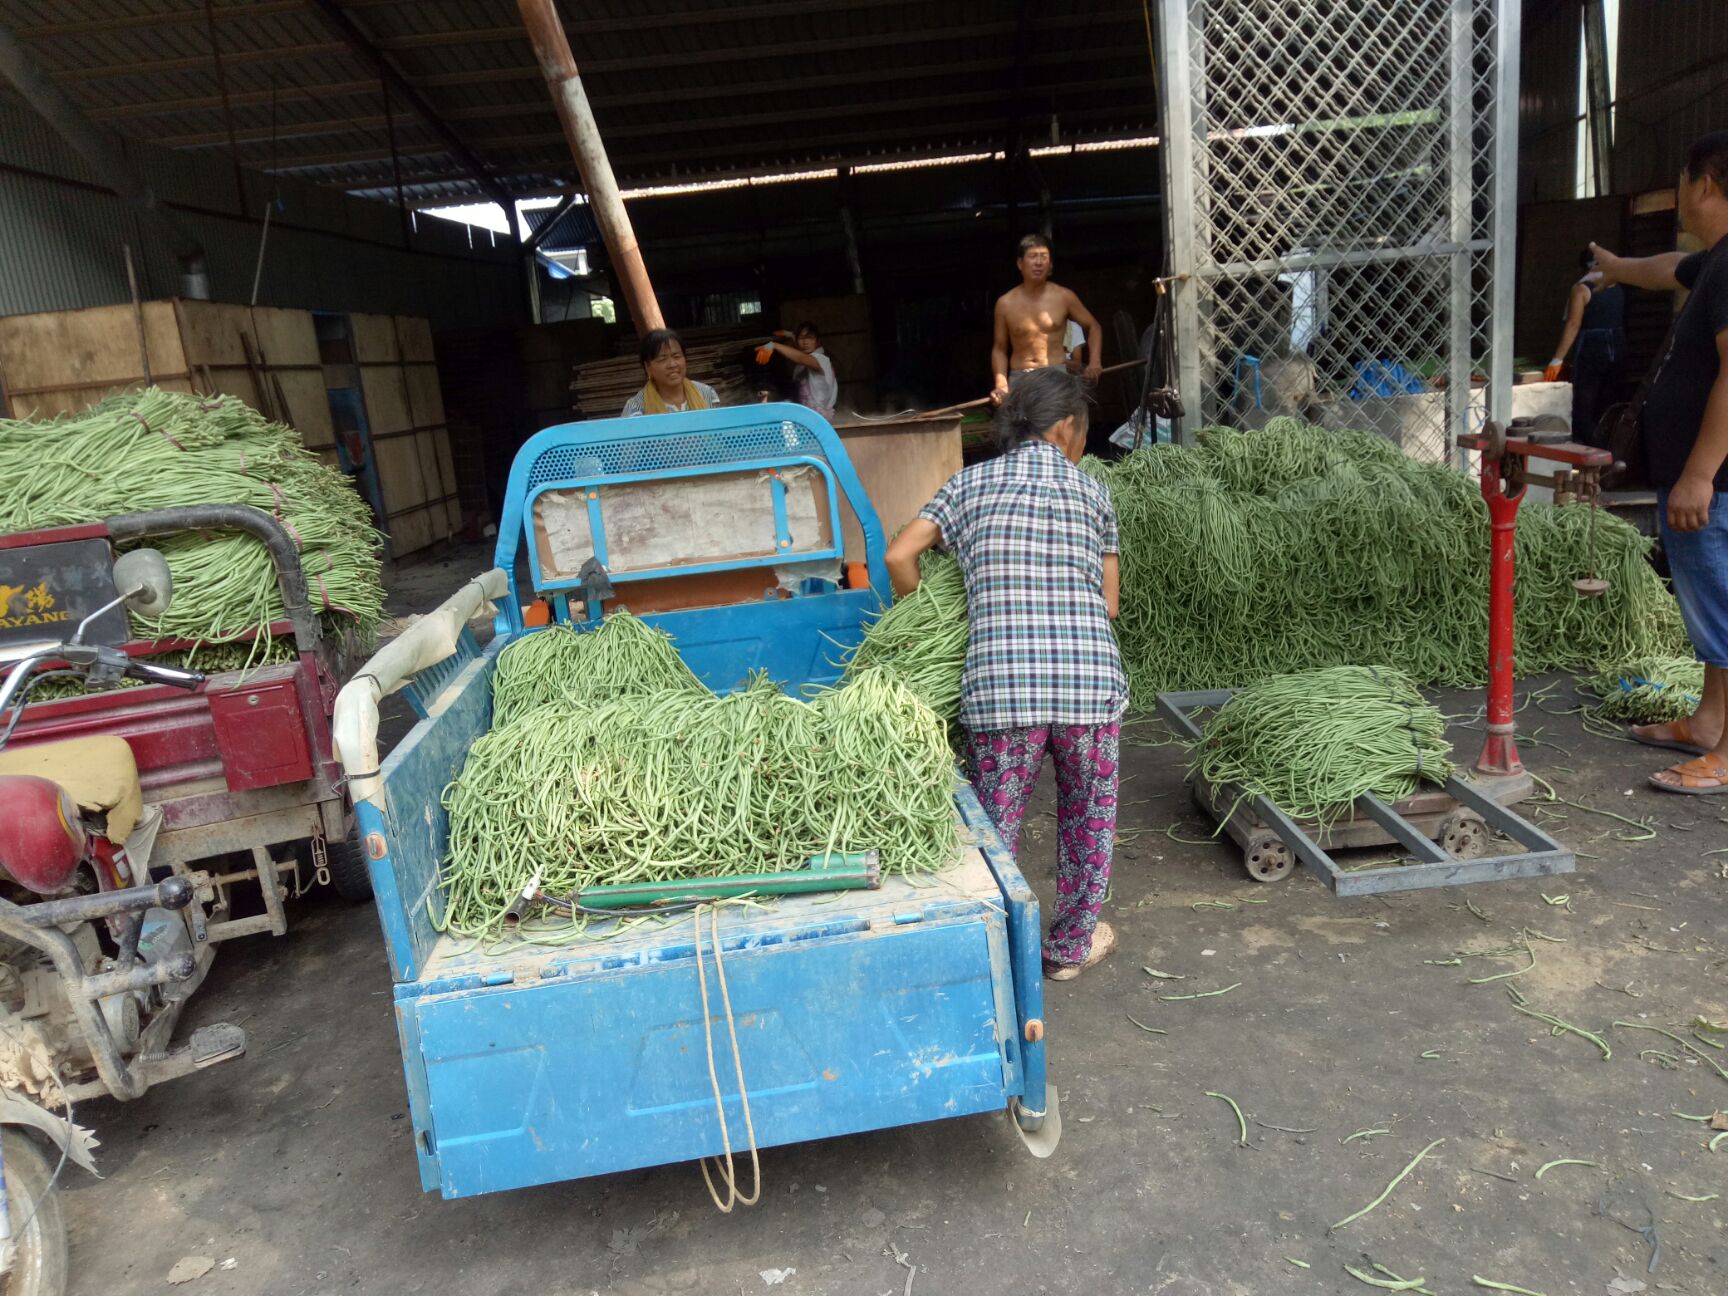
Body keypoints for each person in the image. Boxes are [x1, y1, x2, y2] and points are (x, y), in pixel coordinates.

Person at [887, 367, 1125, 979]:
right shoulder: (1093, 492)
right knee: (1088, 819)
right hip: (1087, 688)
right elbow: (1111, 604)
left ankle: (995, 952)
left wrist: (926, 617)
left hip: (1001, 689)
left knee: (995, 826)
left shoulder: (966, 486)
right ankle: (1070, 949)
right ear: (1068, 426)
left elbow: (898, 554)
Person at [1587, 130, 1728, 794]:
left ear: (1703, 183)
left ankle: (1726, 753)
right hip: (1703, 477)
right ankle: (1708, 724)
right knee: (1710, 610)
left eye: (1682, 183)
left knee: (1726, 610)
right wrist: (1616, 266)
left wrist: (1700, 472)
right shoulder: (1714, 263)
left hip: (1718, 481)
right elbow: (1667, 266)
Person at [990, 234, 1103, 404]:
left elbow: (1094, 326)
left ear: (1050, 264)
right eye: (1033, 256)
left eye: (1044, 257)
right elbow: (999, 348)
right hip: (1021, 379)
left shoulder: (1064, 297)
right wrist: (1001, 383)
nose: (1038, 262)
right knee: (1025, 430)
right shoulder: (1005, 303)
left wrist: (1095, 362)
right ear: (1020, 263)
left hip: (1056, 376)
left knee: (1058, 429)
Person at [1545, 247, 1626, 445]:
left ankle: (1588, 449)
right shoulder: (1616, 285)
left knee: (1584, 403)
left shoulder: (1581, 289)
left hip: (1592, 346)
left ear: (1582, 267)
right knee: (1608, 401)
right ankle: (1609, 447)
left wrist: (1557, 360)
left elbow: (1573, 324)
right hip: (1619, 343)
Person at [621, 329, 719, 417]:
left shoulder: (707, 394)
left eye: (676, 356)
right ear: (647, 367)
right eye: (662, 359)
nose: (672, 365)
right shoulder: (635, 407)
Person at [764, 322, 838, 419]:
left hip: (818, 417)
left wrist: (773, 345)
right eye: (801, 338)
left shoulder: (821, 360)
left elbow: (800, 357)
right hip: (807, 414)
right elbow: (798, 350)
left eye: (810, 338)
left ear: (818, 341)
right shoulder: (804, 359)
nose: (805, 342)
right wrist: (789, 334)